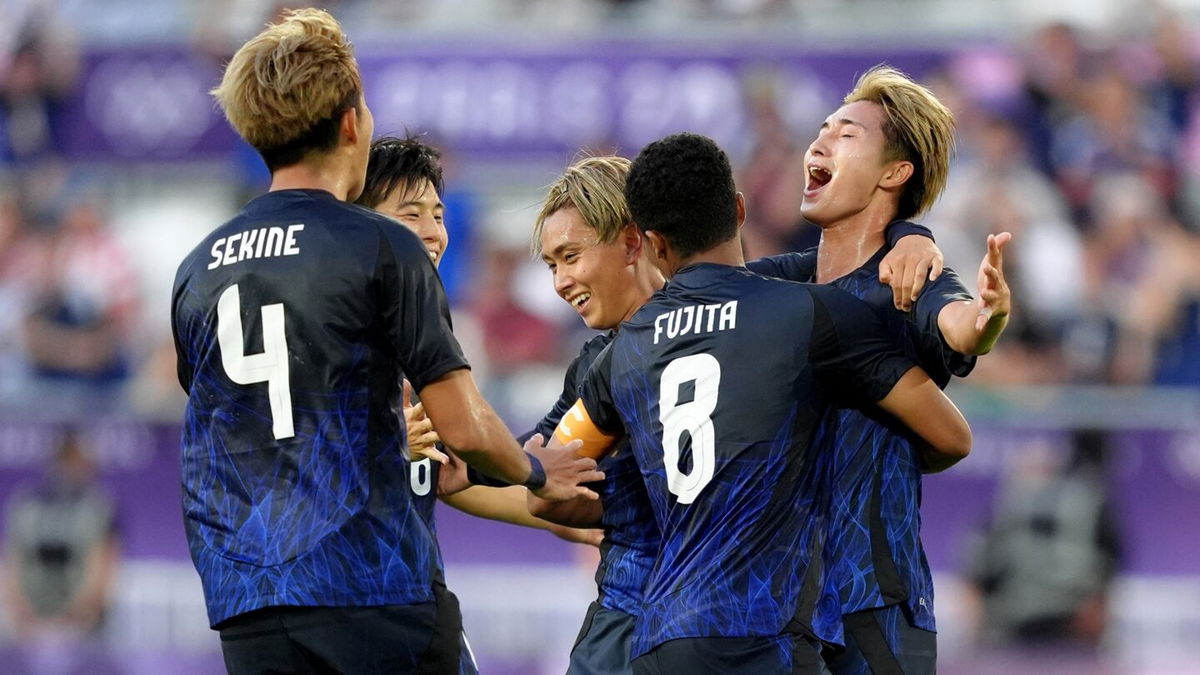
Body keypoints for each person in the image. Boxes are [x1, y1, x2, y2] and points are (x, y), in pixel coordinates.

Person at [169, 10, 601, 674]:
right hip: (371, 589)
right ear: (350, 124)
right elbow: (464, 425)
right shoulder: (375, 248)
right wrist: (538, 469)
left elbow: (234, 427)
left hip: (247, 606)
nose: (430, 229)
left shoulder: (196, 268)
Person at [552, 132, 972, 674]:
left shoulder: (625, 348)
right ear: (739, 208)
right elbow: (951, 436)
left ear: (653, 242)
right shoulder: (804, 313)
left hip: (661, 637)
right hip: (765, 632)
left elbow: (554, 484)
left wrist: (620, 511)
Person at [745, 65, 1012, 675]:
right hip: (774, 601)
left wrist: (989, 317)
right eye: (821, 129)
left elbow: (960, 325)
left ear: (895, 173)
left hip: (874, 600)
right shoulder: (779, 280)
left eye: (847, 134)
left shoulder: (909, 278)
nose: (819, 142)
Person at [354, 133, 601, 547]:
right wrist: (386, 446)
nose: (434, 233)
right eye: (411, 216)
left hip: (414, 591)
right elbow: (287, 462)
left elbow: (449, 472)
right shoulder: (334, 331)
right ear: (359, 225)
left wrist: (571, 517)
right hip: (347, 595)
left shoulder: (425, 329)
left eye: (438, 215)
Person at [3, 430, 119, 674]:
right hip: (29, 624)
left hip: (81, 624)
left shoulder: (99, 508)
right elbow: (12, 564)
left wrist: (76, 617)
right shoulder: (26, 505)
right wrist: (25, 617)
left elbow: (103, 569)